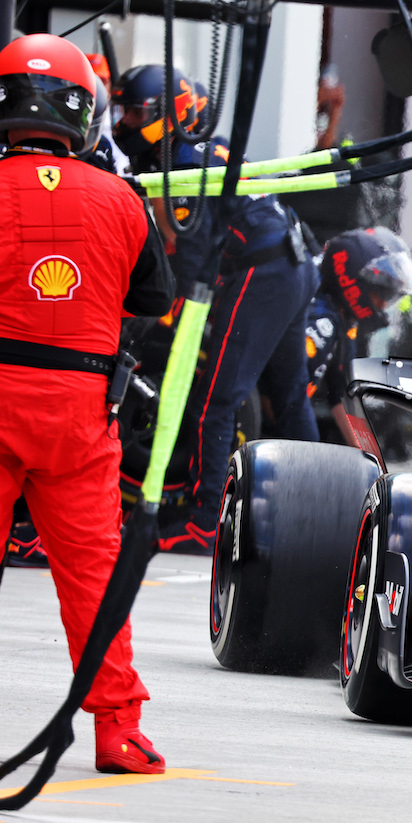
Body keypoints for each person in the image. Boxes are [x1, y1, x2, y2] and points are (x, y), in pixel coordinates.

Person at [0, 34, 174, 772]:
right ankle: (118, 732)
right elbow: (155, 298)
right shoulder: (122, 198)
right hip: (79, 411)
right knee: (95, 577)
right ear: (84, 111)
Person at [112, 64, 321, 555]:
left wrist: (135, 321)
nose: (122, 123)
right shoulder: (201, 148)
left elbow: (186, 270)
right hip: (294, 262)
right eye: (121, 112)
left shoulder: (184, 172)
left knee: (214, 402)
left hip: (262, 272)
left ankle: (206, 524)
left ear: (169, 114)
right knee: (290, 398)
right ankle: (319, 518)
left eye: (133, 113)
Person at [306, 227, 412, 445]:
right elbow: (282, 393)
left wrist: (369, 456)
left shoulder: (344, 318)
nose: (383, 305)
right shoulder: (317, 315)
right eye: (382, 293)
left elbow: (342, 392)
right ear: (354, 276)